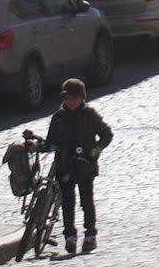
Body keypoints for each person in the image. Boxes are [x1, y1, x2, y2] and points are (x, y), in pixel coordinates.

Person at [30, 76, 114, 254]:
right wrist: (38, 146)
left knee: (86, 201)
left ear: (81, 98)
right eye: (66, 99)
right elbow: (51, 141)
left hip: (85, 165)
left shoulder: (90, 115)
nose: (69, 102)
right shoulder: (59, 117)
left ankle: (90, 235)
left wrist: (95, 150)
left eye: (73, 98)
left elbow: (106, 134)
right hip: (64, 164)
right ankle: (70, 236)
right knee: (67, 202)